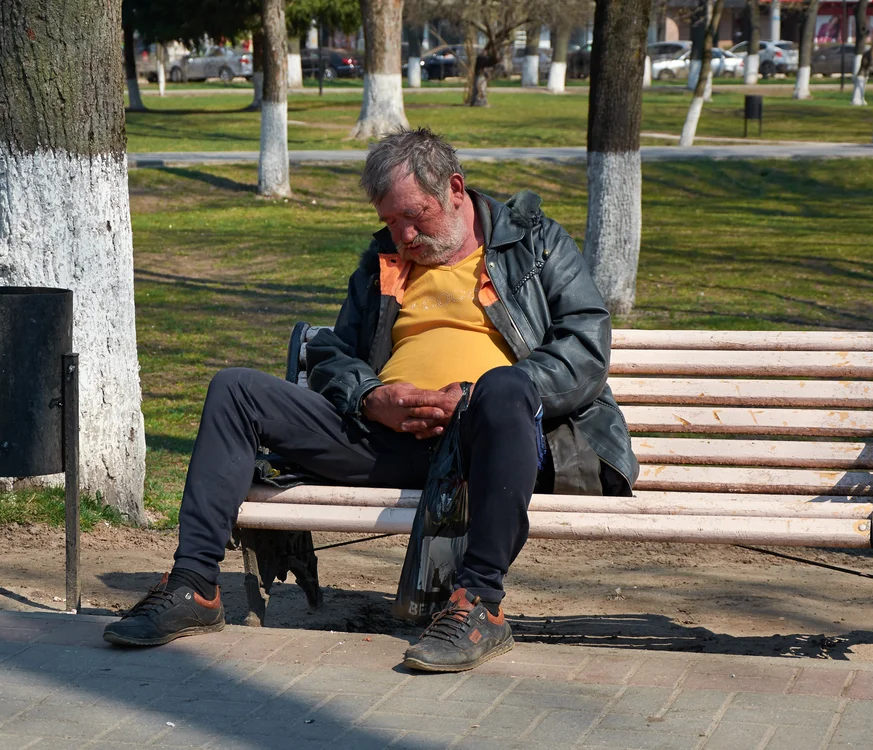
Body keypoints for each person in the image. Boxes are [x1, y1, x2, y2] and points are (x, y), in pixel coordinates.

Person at [102, 128, 639, 673]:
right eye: (389, 221)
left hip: (500, 443)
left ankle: (479, 605)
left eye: (414, 216)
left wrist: (471, 398)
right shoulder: (385, 261)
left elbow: (585, 349)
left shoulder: (535, 241)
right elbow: (336, 354)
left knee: (503, 386)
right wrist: (372, 396)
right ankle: (195, 586)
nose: (403, 235)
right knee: (235, 389)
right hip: (392, 441)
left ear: (455, 189)